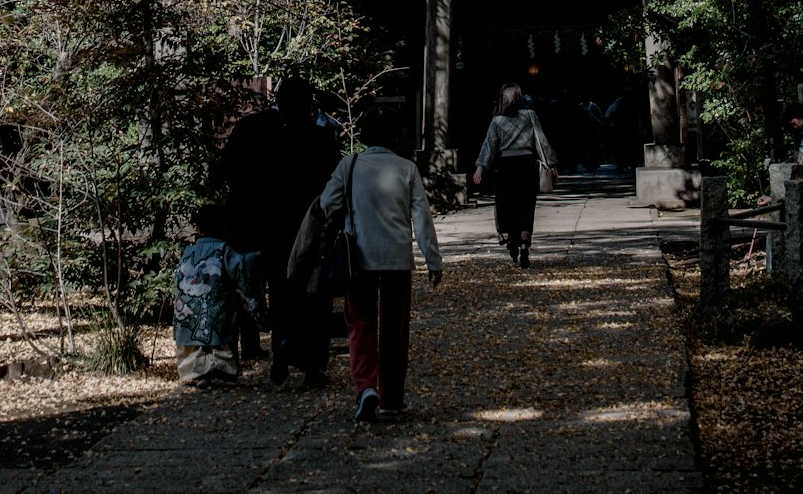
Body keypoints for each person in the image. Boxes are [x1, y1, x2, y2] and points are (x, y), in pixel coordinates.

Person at [219, 73, 341, 388]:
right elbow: (333, 186)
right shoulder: (321, 140)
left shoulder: (256, 133)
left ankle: (282, 353)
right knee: (314, 298)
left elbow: (230, 172)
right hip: (311, 229)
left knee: (282, 292)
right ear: (308, 103)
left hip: (272, 229)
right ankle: (313, 365)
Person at [317, 131, 443, 424]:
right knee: (394, 329)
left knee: (360, 322)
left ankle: (366, 387)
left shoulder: (349, 166)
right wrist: (433, 259)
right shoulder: (406, 168)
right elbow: (422, 217)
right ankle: (392, 399)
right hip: (397, 258)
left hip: (359, 257)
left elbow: (327, 203)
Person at [172, 204, 262, 387]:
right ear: (223, 227)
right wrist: (255, 257)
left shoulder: (188, 251)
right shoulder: (223, 249)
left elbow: (178, 280)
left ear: (199, 228)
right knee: (218, 333)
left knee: (194, 336)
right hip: (215, 305)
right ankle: (221, 370)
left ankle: (196, 373)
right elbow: (240, 268)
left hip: (189, 306)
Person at [472, 82, 557, 266]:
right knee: (526, 207)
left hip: (505, 167)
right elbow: (540, 140)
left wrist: (480, 167)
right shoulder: (530, 115)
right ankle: (525, 246)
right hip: (527, 166)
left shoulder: (497, 120)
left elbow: (489, 146)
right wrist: (550, 164)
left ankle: (511, 241)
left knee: (506, 207)